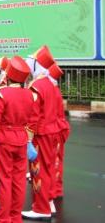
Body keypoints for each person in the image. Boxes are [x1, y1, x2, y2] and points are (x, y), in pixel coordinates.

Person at [0, 56, 34, 223]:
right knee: (18, 180)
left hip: (2, 139)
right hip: (21, 139)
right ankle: (15, 216)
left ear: (9, 75)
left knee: (2, 179)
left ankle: (1, 217)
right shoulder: (29, 94)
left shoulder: (2, 93)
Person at [22, 45, 58, 220]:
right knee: (49, 168)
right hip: (51, 131)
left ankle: (41, 208)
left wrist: (28, 140)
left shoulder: (36, 86)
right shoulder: (49, 84)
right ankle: (48, 201)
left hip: (40, 134)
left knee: (39, 170)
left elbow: (32, 117)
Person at [47, 63, 70, 201]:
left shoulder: (51, 90)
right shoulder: (55, 89)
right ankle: (57, 188)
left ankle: (53, 190)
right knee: (56, 160)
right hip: (59, 128)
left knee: (53, 161)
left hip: (54, 129)